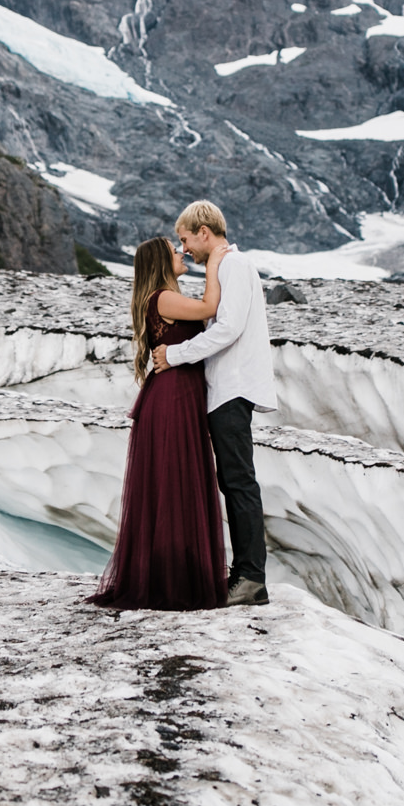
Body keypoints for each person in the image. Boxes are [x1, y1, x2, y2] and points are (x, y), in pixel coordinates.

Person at [88, 237, 228, 610]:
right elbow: (210, 307)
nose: (182, 252)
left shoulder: (163, 296)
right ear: (161, 263)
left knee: (174, 485)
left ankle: (171, 576)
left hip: (177, 395)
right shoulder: (163, 297)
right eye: (174, 250)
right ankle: (173, 582)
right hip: (173, 398)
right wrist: (214, 262)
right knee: (174, 484)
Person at [151, 200, 274, 607]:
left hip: (232, 387)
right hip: (226, 387)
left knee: (238, 481)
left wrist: (176, 354)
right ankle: (243, 574)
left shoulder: (232, 266)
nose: (184, 248)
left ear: (204, 232)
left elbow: (228, 329)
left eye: (186, 239)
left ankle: (251, 578)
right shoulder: (224, 267)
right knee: (234, 481)